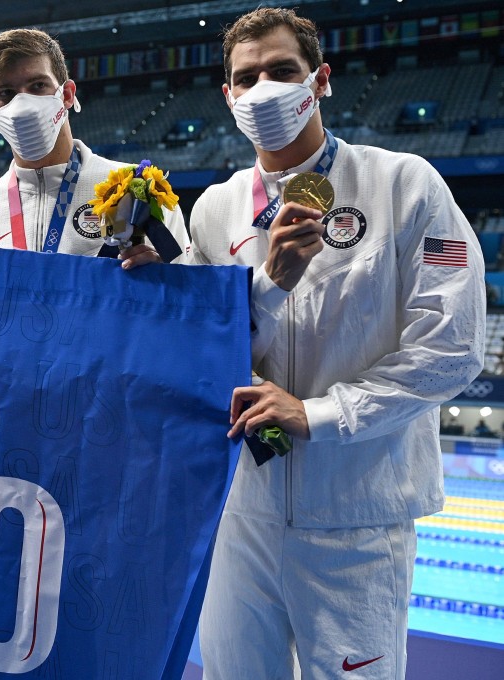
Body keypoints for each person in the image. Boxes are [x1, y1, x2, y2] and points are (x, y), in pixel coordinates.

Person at [189, 8, 485, 679]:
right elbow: (198, 350)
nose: (263, 87)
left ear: (319, 80)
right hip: (240, 517)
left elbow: (453, 347)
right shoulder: (213, 210)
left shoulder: (405, 185)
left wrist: (319, 415)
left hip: (359, 518)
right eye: (246, 77)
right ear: (229, 96)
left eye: (281, 70)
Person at [0, 28, 189, 267]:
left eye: (37, 85)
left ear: (67, 94)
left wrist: (164, 276)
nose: (22, 105)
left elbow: (190, 296)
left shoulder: (137, 190)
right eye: (6, 93)